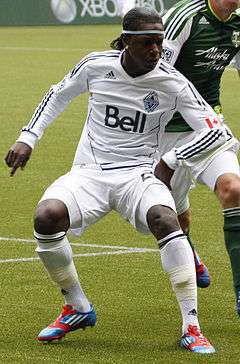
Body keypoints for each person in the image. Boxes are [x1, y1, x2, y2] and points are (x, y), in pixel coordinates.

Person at [5, 6, 237, 354]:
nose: (156, 51)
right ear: (126, 42)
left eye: (159, 43)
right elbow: (58, 94)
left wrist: (171, 159)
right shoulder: (96, 65)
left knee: (167, 218)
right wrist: (28, 137)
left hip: (139, 175)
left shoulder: (171, 81)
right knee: (46, 216)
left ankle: (192, 327)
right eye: (147, 43)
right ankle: (77, 306)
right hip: (89, 172)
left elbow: (218, 131)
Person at [161, 0, 240, 314]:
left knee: (233, 189)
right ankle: (187, 247)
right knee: (173, 213)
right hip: (163, 130)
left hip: (208, 127)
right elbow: (156, 71)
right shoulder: (185, 16)